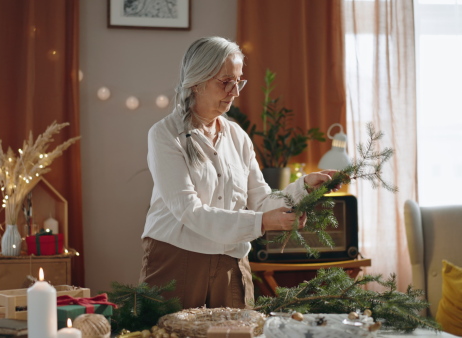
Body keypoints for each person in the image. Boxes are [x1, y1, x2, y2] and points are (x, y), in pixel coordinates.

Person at [139, 36, 339, 309]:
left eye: (238, 81)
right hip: (176, 257)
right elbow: (188, 210)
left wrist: (304, 186)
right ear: (197, 82)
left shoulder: (237, 136)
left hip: (232, 260)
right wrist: (263, 223)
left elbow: (261, 201)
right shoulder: (165, 134)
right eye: (226, 82)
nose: (235, 91)